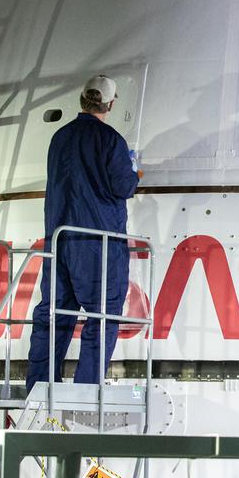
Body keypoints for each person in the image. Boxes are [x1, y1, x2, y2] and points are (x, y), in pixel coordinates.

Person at [26, 74, 139, 392]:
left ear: (82, 100)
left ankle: (40, 384)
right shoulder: (110, 140)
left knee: (54, 313)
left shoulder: (59, 137)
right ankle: (86, 388)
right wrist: (134, 173)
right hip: (97, 244)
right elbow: (123, 186)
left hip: (58, 242)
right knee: (103, 315)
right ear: (110, 103)